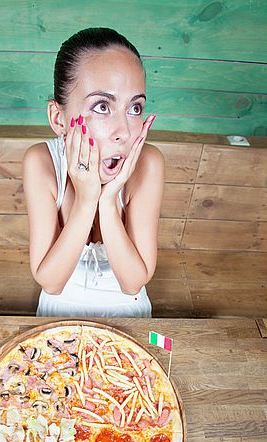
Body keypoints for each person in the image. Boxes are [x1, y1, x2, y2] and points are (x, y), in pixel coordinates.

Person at [22, 27, 164, 317]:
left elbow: (133, 283)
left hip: (130, 311)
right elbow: (50, 282)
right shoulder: (41, 162)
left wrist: (109, 200)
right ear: (58, 119)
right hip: (57, 312)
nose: (124, 131)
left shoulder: (149, 163)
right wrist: (87, 200)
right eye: (102, 106)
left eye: (135, 108)